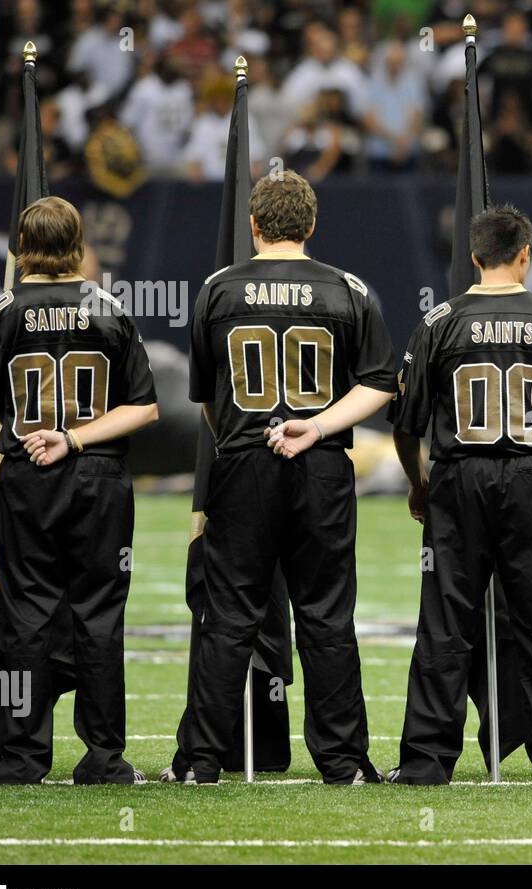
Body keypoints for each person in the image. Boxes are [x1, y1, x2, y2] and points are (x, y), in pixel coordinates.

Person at [167, 171, 397, 784]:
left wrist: (246, 441)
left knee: (230, 614)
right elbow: (378, 382)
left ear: (254, 226)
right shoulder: (348, 290)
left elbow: (208, 397)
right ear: (311, 225)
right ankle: (343, 762)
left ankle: (200, 762)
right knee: (325, 613)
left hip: (242, 460)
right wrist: (317, 428)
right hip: (319, 467)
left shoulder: (218, 289)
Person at [387, 204, 532, 787]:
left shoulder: (440, 322)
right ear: (525, 254)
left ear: (474, 257)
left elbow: (405, 421)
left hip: (459, 477)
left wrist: (417, 482)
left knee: (445, 619)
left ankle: (427, 761)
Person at [0, 196, 159, 783]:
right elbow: (145, 408)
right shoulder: (110, 309)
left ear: (22, 246)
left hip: (27, 472)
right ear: (78, 244)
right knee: (99, 612)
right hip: (99, 476)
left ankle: (26, 755)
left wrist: (49, 437)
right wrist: (77, 439)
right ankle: (105, 756)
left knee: (27, 612)